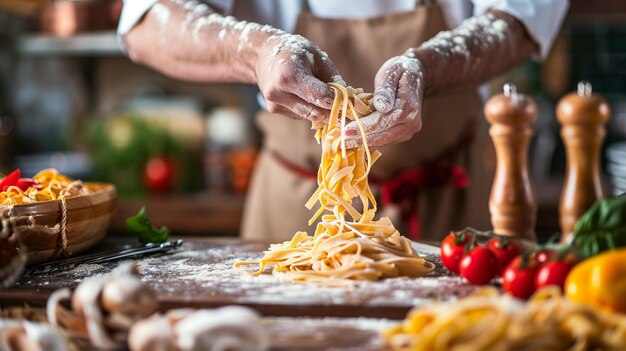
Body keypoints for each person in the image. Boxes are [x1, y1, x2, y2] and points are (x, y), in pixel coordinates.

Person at [118, 0, 568, 242]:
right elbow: (145, 20)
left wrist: (428, 66)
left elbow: (520, 18)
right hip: (295, 212)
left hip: (446, 205)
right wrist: (254, 49)